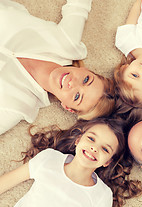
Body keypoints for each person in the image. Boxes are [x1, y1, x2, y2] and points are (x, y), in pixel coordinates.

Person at [0, 118, 142, 207]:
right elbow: (5, 182)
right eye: (91, 139)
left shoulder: (102, 195)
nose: (94, 148)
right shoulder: (49, 159)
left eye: (105, 149)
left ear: (107, 162)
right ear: (78, 140)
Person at [0, 0, 115, 135]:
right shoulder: (67, 43)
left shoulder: (19, 105)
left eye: (77, 96)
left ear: (67, 107)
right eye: (86, 80)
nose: (72, 82)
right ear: (85, 70)